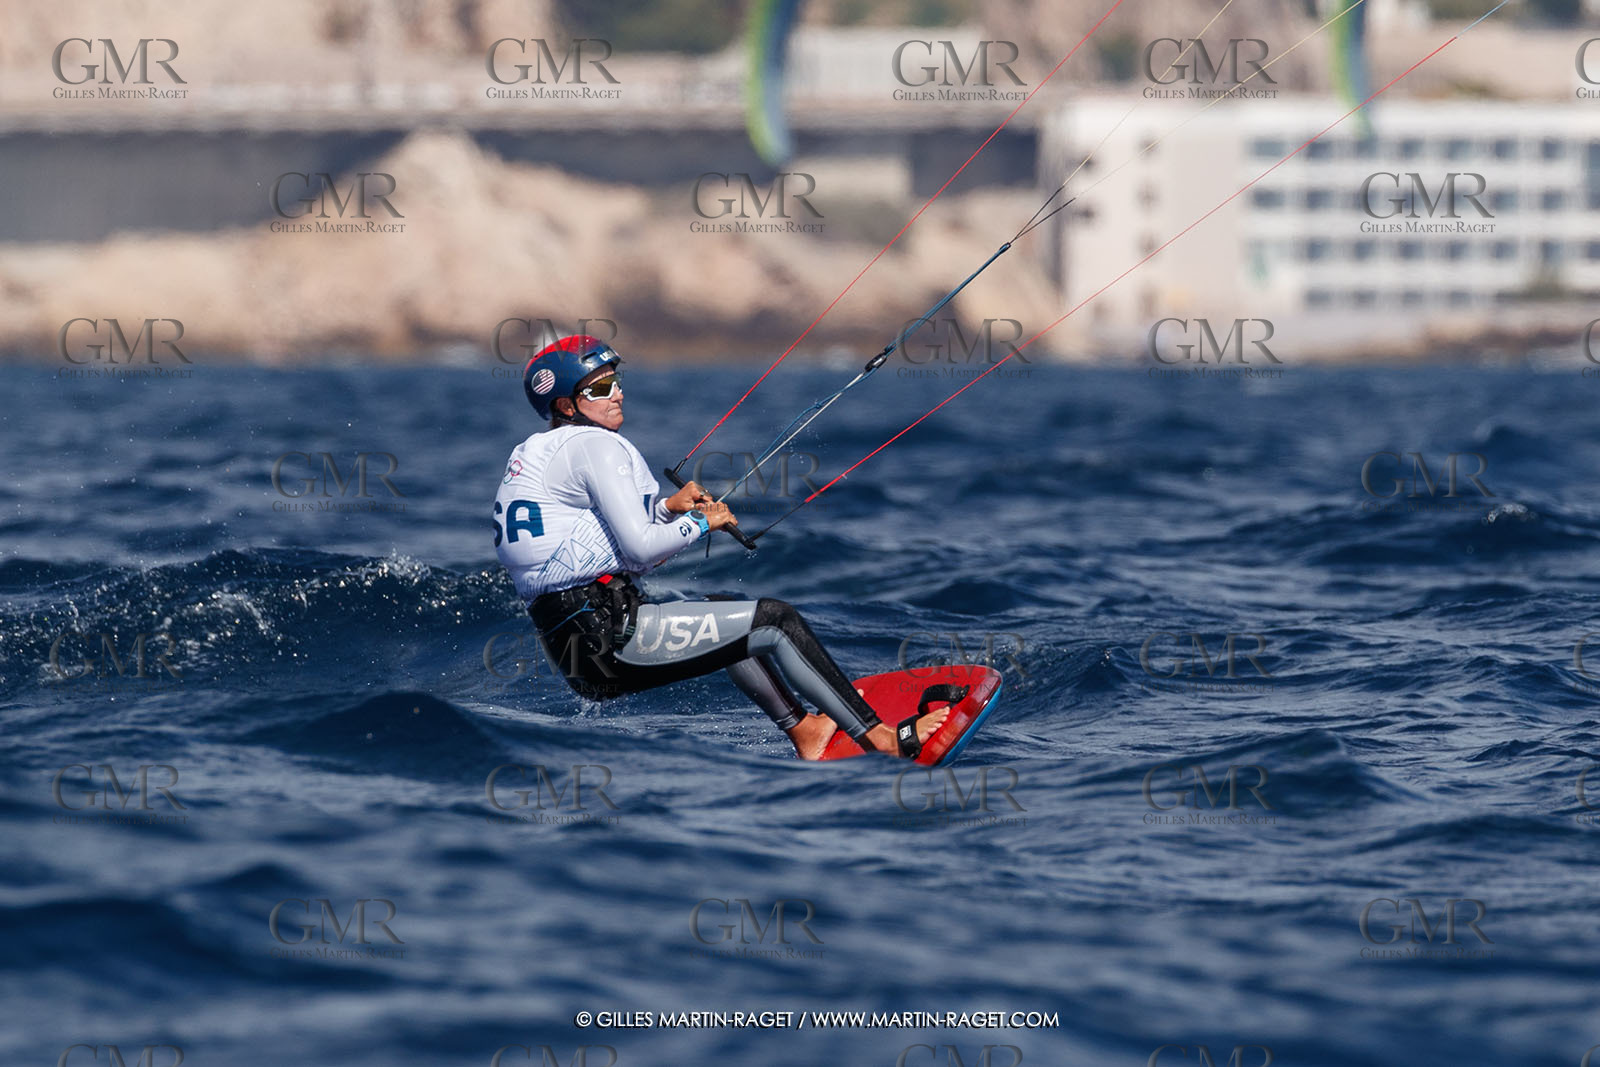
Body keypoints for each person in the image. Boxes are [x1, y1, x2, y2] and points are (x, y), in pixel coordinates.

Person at [491, 334, 947, 760]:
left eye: (616, 379)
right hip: (611, 635)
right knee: (777, 621)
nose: (616, 392)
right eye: (600, 387)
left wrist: (669, 507)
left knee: (729, 611)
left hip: (578, 651)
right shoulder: (595, 445)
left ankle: (805, 732)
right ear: (567, 404)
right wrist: (699, 522)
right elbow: (641, 551)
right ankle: (885, 738)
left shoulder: (533, 452)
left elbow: (580, 537)